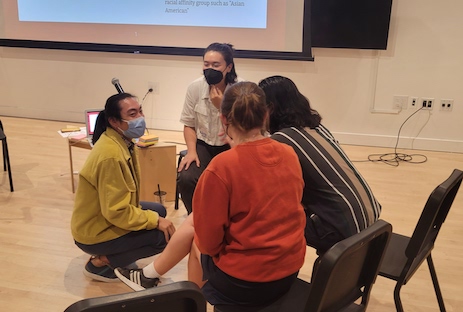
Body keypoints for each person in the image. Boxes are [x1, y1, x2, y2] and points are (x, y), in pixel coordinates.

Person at [116, 82, 306, 307]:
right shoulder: (288, 153)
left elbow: (208, 244)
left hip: (246, 282)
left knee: (196, 238)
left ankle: (190, 302)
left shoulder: (221, 167)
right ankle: (149, 275)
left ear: (223, 119)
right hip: (289, 270)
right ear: (265, 115)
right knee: (196, 223)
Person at [258, 75, 382, 254]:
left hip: (344, 230)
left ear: (270, 108)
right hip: (370, 217)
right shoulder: (316, 126)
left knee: (267, 221)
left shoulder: (282, 141)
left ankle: (278, 274)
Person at [71, 93, 176, 283]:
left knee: (158, 210)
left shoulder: (122, 142)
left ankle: (117, 253)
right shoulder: (110, 155)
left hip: (103, 217)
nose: (140, 118)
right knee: (161, 236)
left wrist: (154, 218)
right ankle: (101, 263)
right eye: (132, 114)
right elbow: (116, 212)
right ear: (113, 121)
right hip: (94, 231)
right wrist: (155, 221)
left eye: (140, 111)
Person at [177, 42, 242, 214]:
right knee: (186, 177)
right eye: (206, 64)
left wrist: (222, 107)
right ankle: (197, 218)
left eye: (215, 65)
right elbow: (189, 123)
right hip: (204, 144)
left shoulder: (241, 89)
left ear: (228, 67)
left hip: (232, 146)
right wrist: (191, 151)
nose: (209, 69)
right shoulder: (195, 87)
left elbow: (244, 128)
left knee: (234, 183)